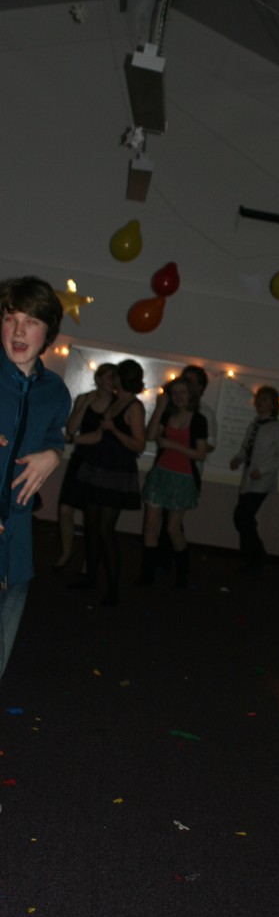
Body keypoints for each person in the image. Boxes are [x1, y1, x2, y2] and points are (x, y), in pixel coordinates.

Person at [0, 276, 71, 682]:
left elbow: (52, 438)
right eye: (10, 319)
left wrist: (55, 454)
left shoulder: (55, 392)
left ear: (48, 332)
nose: (18, 331)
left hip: (17, 541)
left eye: (31, 321)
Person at [73, 359, 146, 606]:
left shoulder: (135, 406)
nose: (112, 379)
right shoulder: (116, 401)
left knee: (105, 530)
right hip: (98, 466)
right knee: (92, 526)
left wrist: (114, 430)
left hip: (116, 471)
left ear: (122, 378)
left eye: (116, 375)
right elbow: (99, 435)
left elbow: (139, 444)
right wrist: (72, 439)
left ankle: (113, 589)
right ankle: (91, 578)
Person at [138, 377, 208, 588]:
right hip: (161, 473)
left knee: (172, 529)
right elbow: (150, 435)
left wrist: (172, 445)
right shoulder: (167, 414)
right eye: (174, 393)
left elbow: (200, 454)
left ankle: (183, 574)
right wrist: (160, 407)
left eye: (182, 392)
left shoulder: (198, 420)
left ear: (191, 395)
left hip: (183, 477)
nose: (178, 397)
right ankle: (147, 575)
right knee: (150, 524)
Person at [53, 362, 117, 570]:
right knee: (65, 509)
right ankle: (66, 552)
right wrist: (85, 403)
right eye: (108, 377)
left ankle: (89, 560)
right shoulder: (84, 398)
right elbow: (72, 428)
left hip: (103, 462)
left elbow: (102, 436)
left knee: (94, 516)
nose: (112, 381)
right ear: (98, 379)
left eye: (115, 377)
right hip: (81, 458)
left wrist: (74, 439)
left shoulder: (117, 403)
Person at [230, 386, 279, 573]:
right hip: (248, 479)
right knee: (245, 519)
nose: (260, 402)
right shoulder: (255, 424)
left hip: (262, 481)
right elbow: (246, 449)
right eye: (259, 399)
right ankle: (251, 560)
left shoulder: (276, 428)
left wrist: (263, 470)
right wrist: (238, 459)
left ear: (273, 405)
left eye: (265, 399)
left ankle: (258, 557)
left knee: (242, 516)